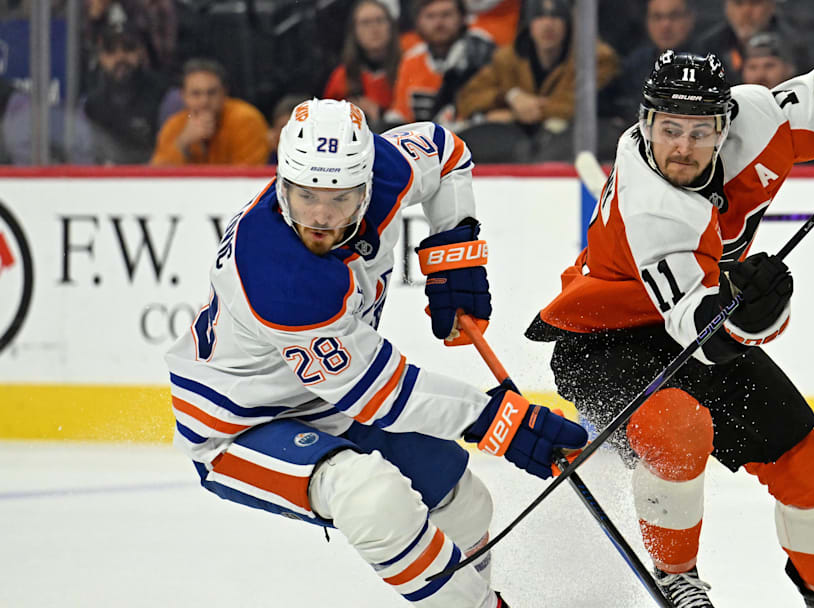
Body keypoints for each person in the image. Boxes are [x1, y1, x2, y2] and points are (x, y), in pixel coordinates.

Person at [165, 98, 587, 607]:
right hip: (237, 426)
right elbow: (381, 395)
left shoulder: (385, 174)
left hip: (329, 400)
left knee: (466, 506)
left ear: (367, 185)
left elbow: (444, 152)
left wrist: (454, 253)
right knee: (372, 497)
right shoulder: (279, 276)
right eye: (304, 196)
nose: (320, 217)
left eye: (340, 199)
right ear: (281, 184)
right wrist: (501, 423)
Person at [526, 50, 814, 608]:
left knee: (805, 461)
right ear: (645, 121)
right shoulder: (652, 207)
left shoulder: (758, 118)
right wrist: (755, 310)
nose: (682, 147)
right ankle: (676, 576)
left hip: (697, 319)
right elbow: (705, 336)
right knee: (679, 429)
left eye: (701, 131)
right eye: (669, 128)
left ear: (727, 125)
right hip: (599, 340)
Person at [454, 0, 619, 162]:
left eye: (555, 17)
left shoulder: (595, 57)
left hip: (572, 145)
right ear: (529, 24)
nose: (548, 25)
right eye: (539, 17)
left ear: (568, 22)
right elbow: (467, 98)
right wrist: (509, 97)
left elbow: (576, 106)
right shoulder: (507, 58)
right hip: (520, 144)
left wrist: (515, 114)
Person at [385, 0, 495, 126]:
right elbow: (401, 113)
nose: (438, 23)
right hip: (423, 140)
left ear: (463, 18)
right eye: (430, 16)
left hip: (472, 135)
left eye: (446, 15)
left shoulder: (481, 51)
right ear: (418, 21)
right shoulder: (411, 59)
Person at [83, 22, 177, 164]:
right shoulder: (90, 104)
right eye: (110, 51)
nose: (120, 57)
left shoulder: (165, 97)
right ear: (101, 57)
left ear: (141, 52)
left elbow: (171, 157)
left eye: (128, 48)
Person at [152, 59, 270, 165]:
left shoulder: (246, 120)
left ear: (224, 93)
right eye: (196, 94)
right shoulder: (174, 126)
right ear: (184, 96)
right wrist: (183, 143)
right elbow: (156, 179)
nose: (204, 101)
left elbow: (249, 177)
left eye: (212, 92)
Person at [615, 0, 700, 123]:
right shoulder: (636, 63)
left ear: (691, 18)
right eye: (657, 17)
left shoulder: (707, 64)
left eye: (674, 16)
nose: (665, 25)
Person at [323, 0, 401, 129]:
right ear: (354, 31)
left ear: (391, 25)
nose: (374, 29)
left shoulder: (409, 67)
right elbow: (326, 122)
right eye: (365, 23)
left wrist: (380, 115)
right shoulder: (342, 77)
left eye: (380, 20)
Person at [698, 0, 803, 83]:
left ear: (772, 6)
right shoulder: (709, 47)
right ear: (726, 8)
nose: (746, 12)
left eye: (755, 3)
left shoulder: (796, 45)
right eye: (738, 3)